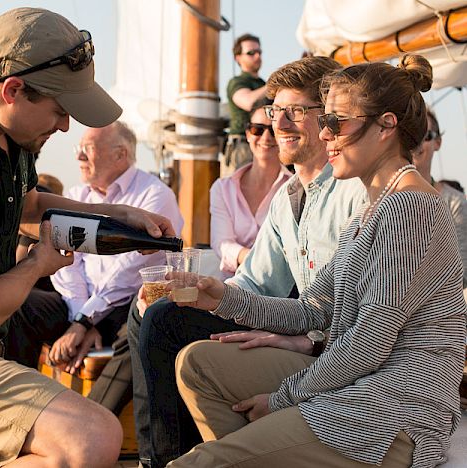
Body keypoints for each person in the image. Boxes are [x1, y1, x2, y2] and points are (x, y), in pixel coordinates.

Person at [169, 55, 466, 468]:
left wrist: (279, 401)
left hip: (394, 410)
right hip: (362, 382)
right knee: (198, 364)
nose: (325, 134)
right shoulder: (372, 210)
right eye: (324, 120)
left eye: (337, 122)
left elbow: (369, 343)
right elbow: (314, 309)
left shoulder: (409, 210)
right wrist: (220, 298)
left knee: (199, 464)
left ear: (386, 125)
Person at [128, 56, 367, 467]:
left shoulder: (355, 192)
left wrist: (308, 339)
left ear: (326, 119)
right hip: (295, 322)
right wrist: (199, 292)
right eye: (276, 112)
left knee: (166, 323)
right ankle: (168, 458)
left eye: (297, 112)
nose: (281, 124)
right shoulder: (287, 198)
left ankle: (172, 460)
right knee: (151, 310)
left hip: (331, 344)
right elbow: (254, 284)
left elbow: (363, 313)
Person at [0, 7, 176, 466]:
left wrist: (115, 213)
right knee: (90, 437)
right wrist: (39, 264)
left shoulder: (8, 140)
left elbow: (28, 205)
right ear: (13, 89)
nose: (65, 127)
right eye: (60, 111)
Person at [5, 120, 184, 375]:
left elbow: (128, 273)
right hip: (78, 302)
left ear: (120, 154)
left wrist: (84, 321)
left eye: (87, 148)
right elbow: (67, 259)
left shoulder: (155, 195)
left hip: (123, 307)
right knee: (20, 305)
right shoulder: (78, 194)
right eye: (78, 147)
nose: (78, 155)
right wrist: (79, 314)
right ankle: (20, 395)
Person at [210, 98, 291, 278]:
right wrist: (261, 260)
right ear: (247, 134)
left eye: (273, 130)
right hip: (231, 291)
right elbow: (221, 243)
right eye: (257, 129)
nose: (265, 137)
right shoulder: (222, 189)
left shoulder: (295, 189)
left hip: (278, 296)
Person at [412, 107, 467, 287]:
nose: (417, 142)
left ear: (438, 142)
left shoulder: (455, 202)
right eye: (412, 134)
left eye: (425, 135)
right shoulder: (378, 199)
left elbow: (462, 272)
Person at [222, 34, 268, 176]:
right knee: (236, 195)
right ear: (238, 58)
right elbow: (249, 102)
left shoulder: (263, 85)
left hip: (264, 144)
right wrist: (276, 82)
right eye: (251, 53)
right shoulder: (236, 82)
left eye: (259, 52)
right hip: (242, 148)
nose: (257, 56)